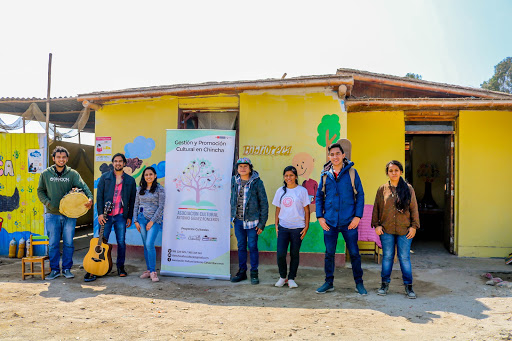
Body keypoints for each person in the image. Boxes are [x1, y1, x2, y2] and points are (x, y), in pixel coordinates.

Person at [315, 143, 366, 295]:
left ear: (343, 155)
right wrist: (320, 217)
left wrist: (357, 216)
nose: (335, 157)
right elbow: (319, 197)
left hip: (349, 222)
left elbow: (360, 195)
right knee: (329, 253)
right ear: (329, 157)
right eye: (332, 154)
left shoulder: (352, 173)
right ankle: (328, 282)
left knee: (354, 253)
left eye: (338, 153)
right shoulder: (325, 175)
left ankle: (359, 283)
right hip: (329, 222)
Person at [37, 146, 93, 280]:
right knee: (53, 244)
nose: (61, 160)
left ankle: (67, 269)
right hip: (52, 214)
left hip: (70, 215)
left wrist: (90, 198)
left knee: (68, 243)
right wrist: (47, 202)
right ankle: (54, 270)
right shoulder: (46, 174)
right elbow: (40, 191)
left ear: (67, 159)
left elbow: (84, 187)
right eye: (58, 157)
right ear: (53, 159)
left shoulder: (73, 174)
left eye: (63, 157)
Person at [372, 160, 420, 299]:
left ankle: (408, 287)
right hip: (386, 229)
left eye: (396, 170)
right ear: (387, 173)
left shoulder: (408, 189)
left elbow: (414, 209)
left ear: (401, 172)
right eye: (391, 170)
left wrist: (414, 227)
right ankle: (384, 284)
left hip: (404, 230)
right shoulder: (382, 189)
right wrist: (377, 225)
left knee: (404, 257)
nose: (394, 173)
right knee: (387, 257)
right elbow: (377, 208)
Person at [85, 153, 136, 282]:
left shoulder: (130, 180)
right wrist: (100, 214)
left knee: (121, 242)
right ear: (113, 163)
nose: (118, 163)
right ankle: (95, 267)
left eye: (120, 161)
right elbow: (99, 197)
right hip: (106, 215)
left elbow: (132, 200)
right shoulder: (104, 178)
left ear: (124, 163)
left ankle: (120, 267)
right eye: (115, 161)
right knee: (101, 242)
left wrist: (129, 217)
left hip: (121, 216)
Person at [230, 157, 268, 284]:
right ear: (237, 169)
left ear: (250, 168)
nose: (243, 168)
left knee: (252, 246)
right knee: (241, 246)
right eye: (240, 166)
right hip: (238, 221)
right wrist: (232, 216)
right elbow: (232, 199)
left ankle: (254, 273)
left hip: (253, 222)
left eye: (245, 166)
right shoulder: (234, 181)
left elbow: (264, 203)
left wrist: (262, 223)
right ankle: (242, 272)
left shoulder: (257, 183)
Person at [272, 166, 310, 288]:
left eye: (291, 175)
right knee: (281, 254)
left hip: (298, 227)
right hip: (283, 227)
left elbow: (307, 210)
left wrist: (307, 226)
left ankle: (292, 278)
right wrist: (276, 225)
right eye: (286, 175)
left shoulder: (302, 191)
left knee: (294, 253)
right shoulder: (280, 191)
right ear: (284, 177)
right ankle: (283, 277)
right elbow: (277, 209)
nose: (289, 178)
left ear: (296, 177)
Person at [133, 167, 166, 282]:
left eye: (151, 174)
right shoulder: (139, 189)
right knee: (145, 245)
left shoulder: (160, 189)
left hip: (154, 220)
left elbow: (161, 207)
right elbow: (136, 205)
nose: (148, 176)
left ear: (155, 176)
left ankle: (153, 272)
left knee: (149, 243)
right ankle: (148, 270)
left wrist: (152, 221)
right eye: (146, 175)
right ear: (144, 176)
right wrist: (135, 221)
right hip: (141, 220)